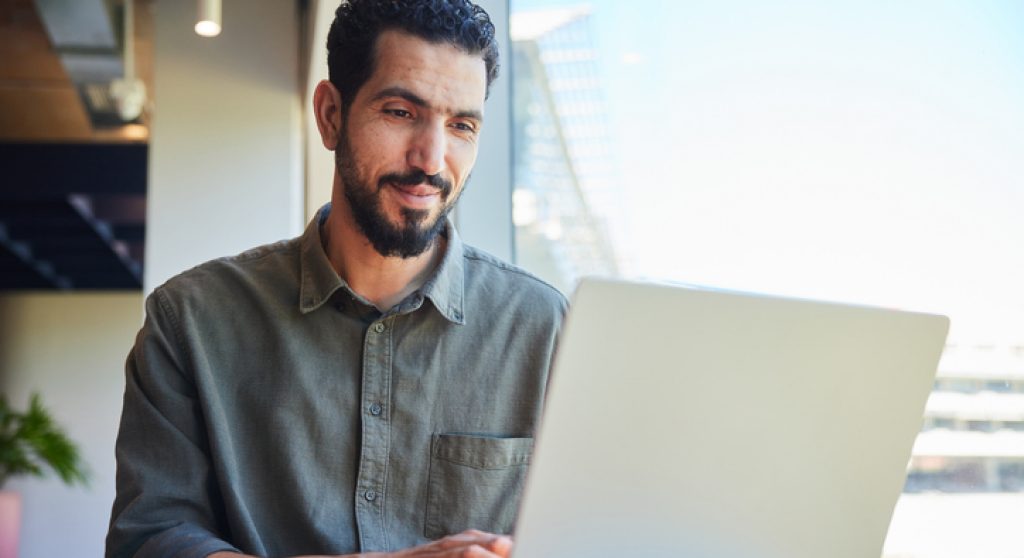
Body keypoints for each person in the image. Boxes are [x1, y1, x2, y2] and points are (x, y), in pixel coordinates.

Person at [105, 1, 566, 556]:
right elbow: (150, 542)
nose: (431, 158)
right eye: (400, 112)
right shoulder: (190, 321)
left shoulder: (543, 328)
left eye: (461, 125)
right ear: (330, 115)